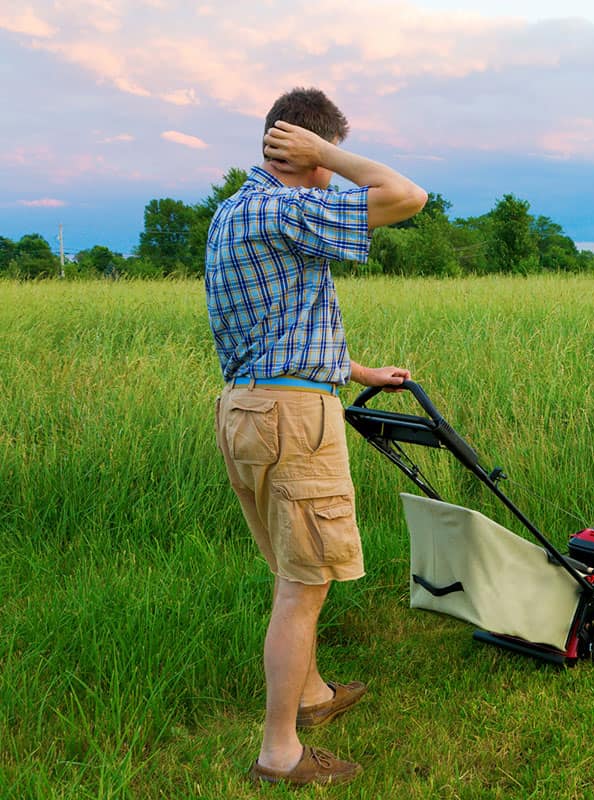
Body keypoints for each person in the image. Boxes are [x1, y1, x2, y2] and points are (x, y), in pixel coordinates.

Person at [205, 87, 427, 787]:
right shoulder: (286, 204)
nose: (330, 173)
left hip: (247, 409)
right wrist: (326, 153)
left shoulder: (234, 211)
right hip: (292, 419)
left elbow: (278, 323)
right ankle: (281, 753)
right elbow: (408, 196)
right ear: (303, 150)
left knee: (291, 571)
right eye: (322, 157)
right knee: (304, 586)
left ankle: (313, 695)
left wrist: (357, 369)